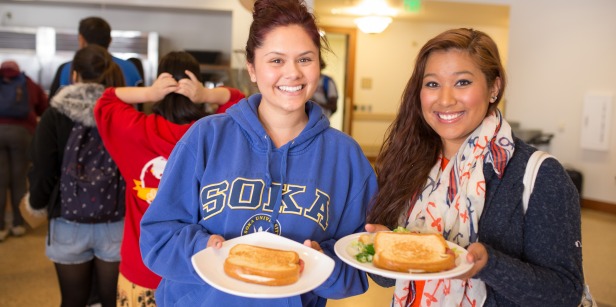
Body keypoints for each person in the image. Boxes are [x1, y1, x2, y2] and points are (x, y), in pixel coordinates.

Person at [139, 0, 377, 306]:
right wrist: (205, 248)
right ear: (252, 68)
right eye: (276, 61)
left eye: (305, 59)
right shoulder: (206, 137)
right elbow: (158, 238)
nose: (292, 73)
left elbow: (357, 269)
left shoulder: (346, 157)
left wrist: (322, 266)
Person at [365, 28, 584, 306]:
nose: (445, 99)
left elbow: (564, 292)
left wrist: (489, 265)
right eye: (432, 84)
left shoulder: (541, 175)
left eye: (462, 82)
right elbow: (387, 279)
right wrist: (391, 248)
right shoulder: (409, 163)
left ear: (494, 88)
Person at [94, 51, 245, 307]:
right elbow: (239, 100)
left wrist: (150, 93)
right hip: (195, 267)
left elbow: (106, 101)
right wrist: (206, 95)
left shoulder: (134, 131)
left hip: (139, 264)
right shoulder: (213, 133)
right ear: (196, 84)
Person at [26, 44, 126, 307]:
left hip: (67, 222)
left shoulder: (54, 115)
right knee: (112, 301)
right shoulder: (122, 113)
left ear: (74, 75)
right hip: (115, 221)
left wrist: (35, 205)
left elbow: (43, 170)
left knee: (72, 300)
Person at [0, 60, 48, 241]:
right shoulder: (27, 83)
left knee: (1, 180)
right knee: (19, 179)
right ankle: (18, 224)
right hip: (22, 134)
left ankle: (1, 227)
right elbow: (43, 107)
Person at [48, 16, 142, 100]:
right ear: (110, 41)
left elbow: (52, 107)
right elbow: (139, 109)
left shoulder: (66, 69)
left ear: (81, 39)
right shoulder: (131, 68)